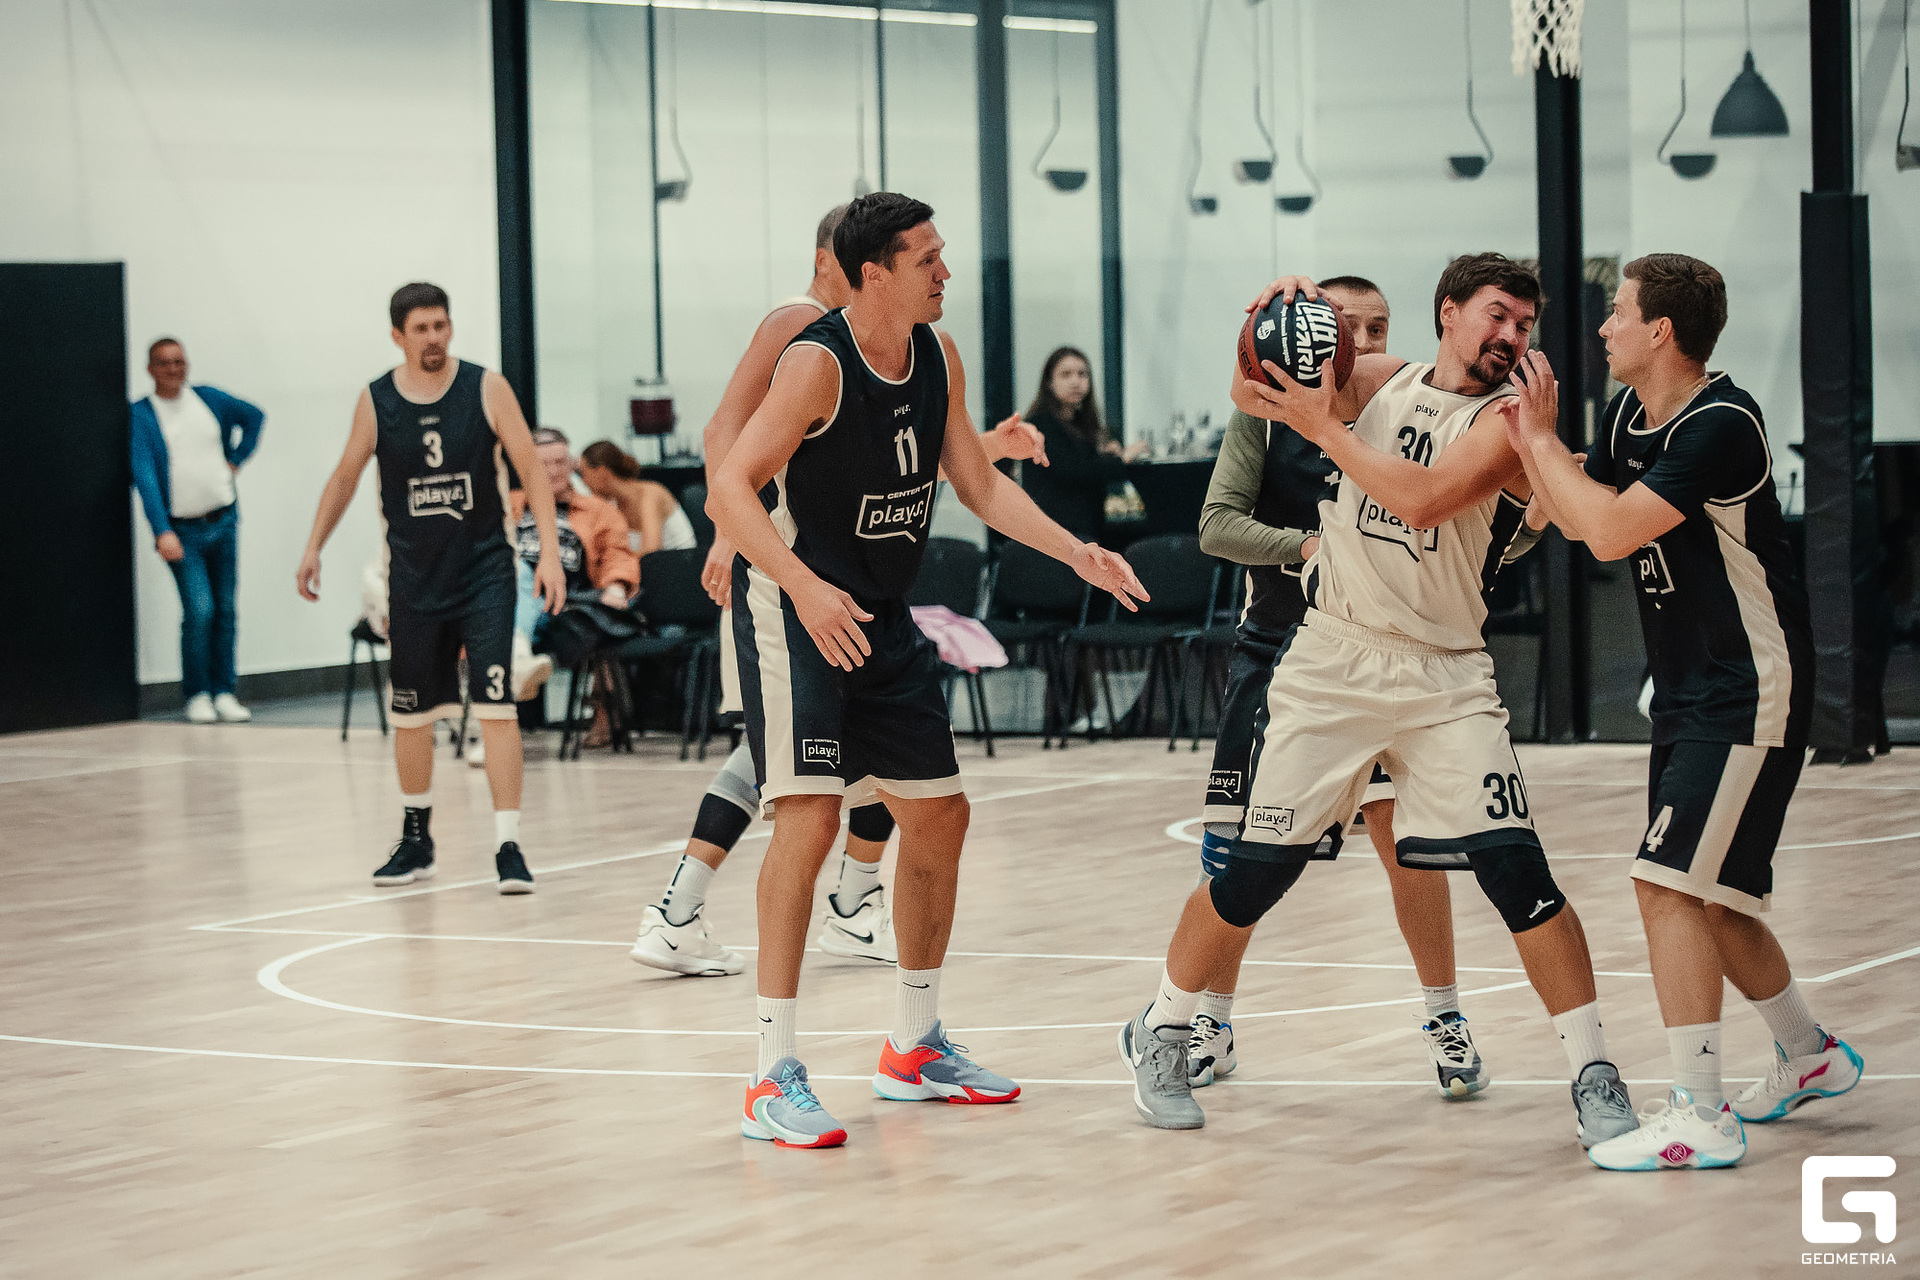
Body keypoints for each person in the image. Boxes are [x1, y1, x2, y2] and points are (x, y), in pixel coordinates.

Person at [1119, 256, 1636, 1157]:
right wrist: (1277, 320)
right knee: (1252, 875)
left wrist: (1327, 428)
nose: (1511, 336)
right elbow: (1254, 393)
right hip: (1334, 662)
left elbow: (1422, 501)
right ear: (1449, 313)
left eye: (1525, 325)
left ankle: (1595, 1073)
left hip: (1446, 677)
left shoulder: (1510, 423)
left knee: (1520, 877)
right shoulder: (1380, 382)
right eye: (1497, 315)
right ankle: (1162, 1029)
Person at [709, 192, 1144, 1149]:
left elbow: (977, 484)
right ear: (873, 275)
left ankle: (912, 1046)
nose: (946, 273)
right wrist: (802, 587)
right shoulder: (816, 363)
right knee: (811, 817)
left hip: (881, 612)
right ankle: (771, 1072)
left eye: (943, 255)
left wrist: (1077, 552)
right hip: (794, 610)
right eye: (927, 260)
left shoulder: (938, 356)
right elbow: (729, 484)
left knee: (940, 815)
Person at [1500, 253, 1862, 1172]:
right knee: (1720, 900)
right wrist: (1531, 472)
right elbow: (1580, 515)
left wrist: (1539, 441)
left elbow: (1611, 530)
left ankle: (1701, 1113)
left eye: (1618, 312)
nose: (1604, 326)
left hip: (1748, 688)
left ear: (1661, 330)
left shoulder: (1722, 423)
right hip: (1690, 689)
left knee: (1665, 884)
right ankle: (1810, 1055)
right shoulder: (1631, 413)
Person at [632, 203, 1047, 981]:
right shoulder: (801, 327)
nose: (940, 272)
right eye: (922, 258)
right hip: (776, 576)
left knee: (858, 767)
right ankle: (684, 909)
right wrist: (729, 535)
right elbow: (724, 438)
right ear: (845, 263)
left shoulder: (905, 349)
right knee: (792, 781)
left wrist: (988, 445)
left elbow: (890, 458)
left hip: (846, 583)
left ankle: (848, 905)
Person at [1190, 275, 1504, 1097]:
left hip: (1392, 655)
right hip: (1281, 646)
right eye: (1347, 330)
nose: (1363, 346)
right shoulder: (1268, 410)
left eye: (1378, 330)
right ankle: (1209, 1019)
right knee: (1241, 855)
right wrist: (1309, 548)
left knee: (1410, 851)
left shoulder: (1417, 414)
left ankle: (1445, 1016)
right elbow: (1216, 525)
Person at [296, 283, 565, 893]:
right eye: (421, 328)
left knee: (496, 707)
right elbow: (344, 477)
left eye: (441, 325)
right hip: (414, 579)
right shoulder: (376, 400)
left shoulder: (486, 387)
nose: (434, 337)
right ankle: (417, 840)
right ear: (398, 336)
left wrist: (549, 554)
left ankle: (509, 845)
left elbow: (530, 468)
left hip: (485, 573)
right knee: (412, 716)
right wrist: (314, 546)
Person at [130, 338, 265, 724]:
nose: (173, 369)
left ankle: (224, 691)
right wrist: (161, 530)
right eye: (164, 363)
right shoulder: (142, 415)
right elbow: (145, 476)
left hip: (223, 520)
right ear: (151, 369)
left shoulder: (208, 399)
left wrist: (236, 459)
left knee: (225, 610)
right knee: (199, 610)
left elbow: (254, 417)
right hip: (182, 531)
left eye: (179, 361)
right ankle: (198, 693)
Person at [1018, 346, 1145, 541]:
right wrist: (1121, 460)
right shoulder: (1040, 425)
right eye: (1066, 375)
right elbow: (1071, 471)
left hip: (1085, 527)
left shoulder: (1080, 424)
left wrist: (1105, 456)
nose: (1076, 381)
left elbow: (1082, 463)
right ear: (1049, 383)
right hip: (1057, 533)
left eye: (1082, 374)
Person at [577, 441, 699, 555]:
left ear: (602, 472)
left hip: (681, 563)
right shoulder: (611, 504)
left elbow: (651, 552)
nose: (584, 482)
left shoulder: (651, 494)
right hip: (648, 567)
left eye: (583, 473)